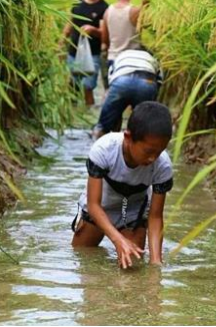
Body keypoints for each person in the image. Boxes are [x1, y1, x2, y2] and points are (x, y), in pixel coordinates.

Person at [71, 101, 174, 269]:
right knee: (83, 257)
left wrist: (156, 262)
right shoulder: (104, 150)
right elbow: (93, 205)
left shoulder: (163, 166)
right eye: (148, 151)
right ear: (128, 137)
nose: (153, 159)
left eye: (160, 151)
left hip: (133, 213)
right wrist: (118, 240)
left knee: (132, 265)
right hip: (100, 208)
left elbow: (155, 217)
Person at [62, 0, 109, 106]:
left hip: (92, 55)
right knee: (72, 87)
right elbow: (69, 23)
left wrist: (93, 30)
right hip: (73, 52)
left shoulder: (104, 7)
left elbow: (105, 34)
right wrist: (60, 43)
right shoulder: (77, 1)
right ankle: (73, 117)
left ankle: (88, 117)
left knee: (88, 87)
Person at [92, 48, 163, 139]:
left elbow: (111, 80)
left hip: (121, 81)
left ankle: (97, 147)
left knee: (103, 126)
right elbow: (159, 82)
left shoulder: (121, 56)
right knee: (143, 127)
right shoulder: (153, 59)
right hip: (146, 82)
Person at [101, 0, 141, 65]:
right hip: (133, 59)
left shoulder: (108, 12)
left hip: (114, 59)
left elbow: (105, 39)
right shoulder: (135, 11)